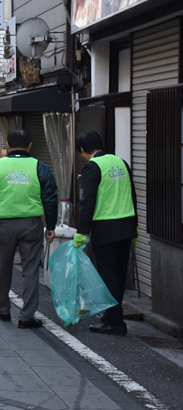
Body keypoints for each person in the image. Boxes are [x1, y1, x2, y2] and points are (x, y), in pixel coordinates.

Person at [0, 128, 58, 329]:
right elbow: (50, 198)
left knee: (2, 268)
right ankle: (26, 316)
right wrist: (50, 225)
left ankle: (3, 309)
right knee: (30, 270)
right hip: (31, 224)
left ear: (7, 145)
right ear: (30, 145)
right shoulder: (40, 167)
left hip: (4, 226)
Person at [74, 130, 137, 336]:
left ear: (84, 150)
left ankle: (115, 322)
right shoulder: (121, 162)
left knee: (108, 275)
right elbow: (132, 193)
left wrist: (81, 232)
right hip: (126, 226)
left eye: (80, 152)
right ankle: (112, 317)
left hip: (105, 228)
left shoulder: (92, 166)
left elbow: (87, 202)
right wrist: (134, 224)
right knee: (118, 274)